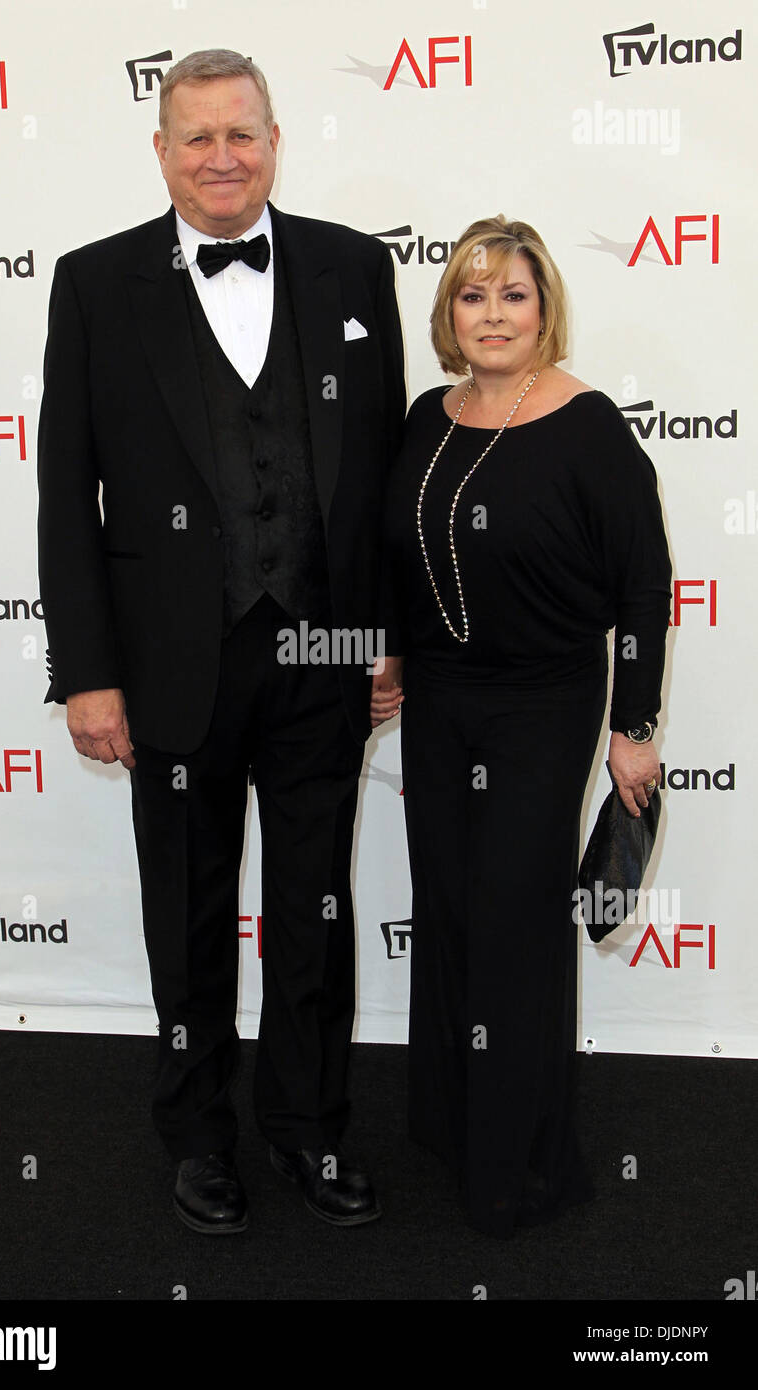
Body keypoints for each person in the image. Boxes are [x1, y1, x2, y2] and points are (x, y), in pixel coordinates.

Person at [37, 49, 406, 1234]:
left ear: (273, 138)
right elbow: (66, 495)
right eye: (195, 137)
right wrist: (87, 672)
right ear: (160, 151)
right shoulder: (95, 284)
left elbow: (382, 484)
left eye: (239, 134)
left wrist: (380, 636)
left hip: (321, 650)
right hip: (170, 664)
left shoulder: (355, 265)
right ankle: (198, 1135)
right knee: (186, 912)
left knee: (314, 905)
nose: (220, 157)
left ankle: (308, 1128)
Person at [371, 215, 671, 1237]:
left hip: (546, 700)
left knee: (514, 914)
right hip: (443, 699)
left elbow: (644, 581)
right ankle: (454, 1123)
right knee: (448, 903)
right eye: (472, 294)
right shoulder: (427, 414)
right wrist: (395, 661)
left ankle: (525, 1162)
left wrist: (634, 723)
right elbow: (407, 558)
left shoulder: (587, 424)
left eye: (512, 295)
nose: (492, 314)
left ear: (544, 311)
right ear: (448, 311)